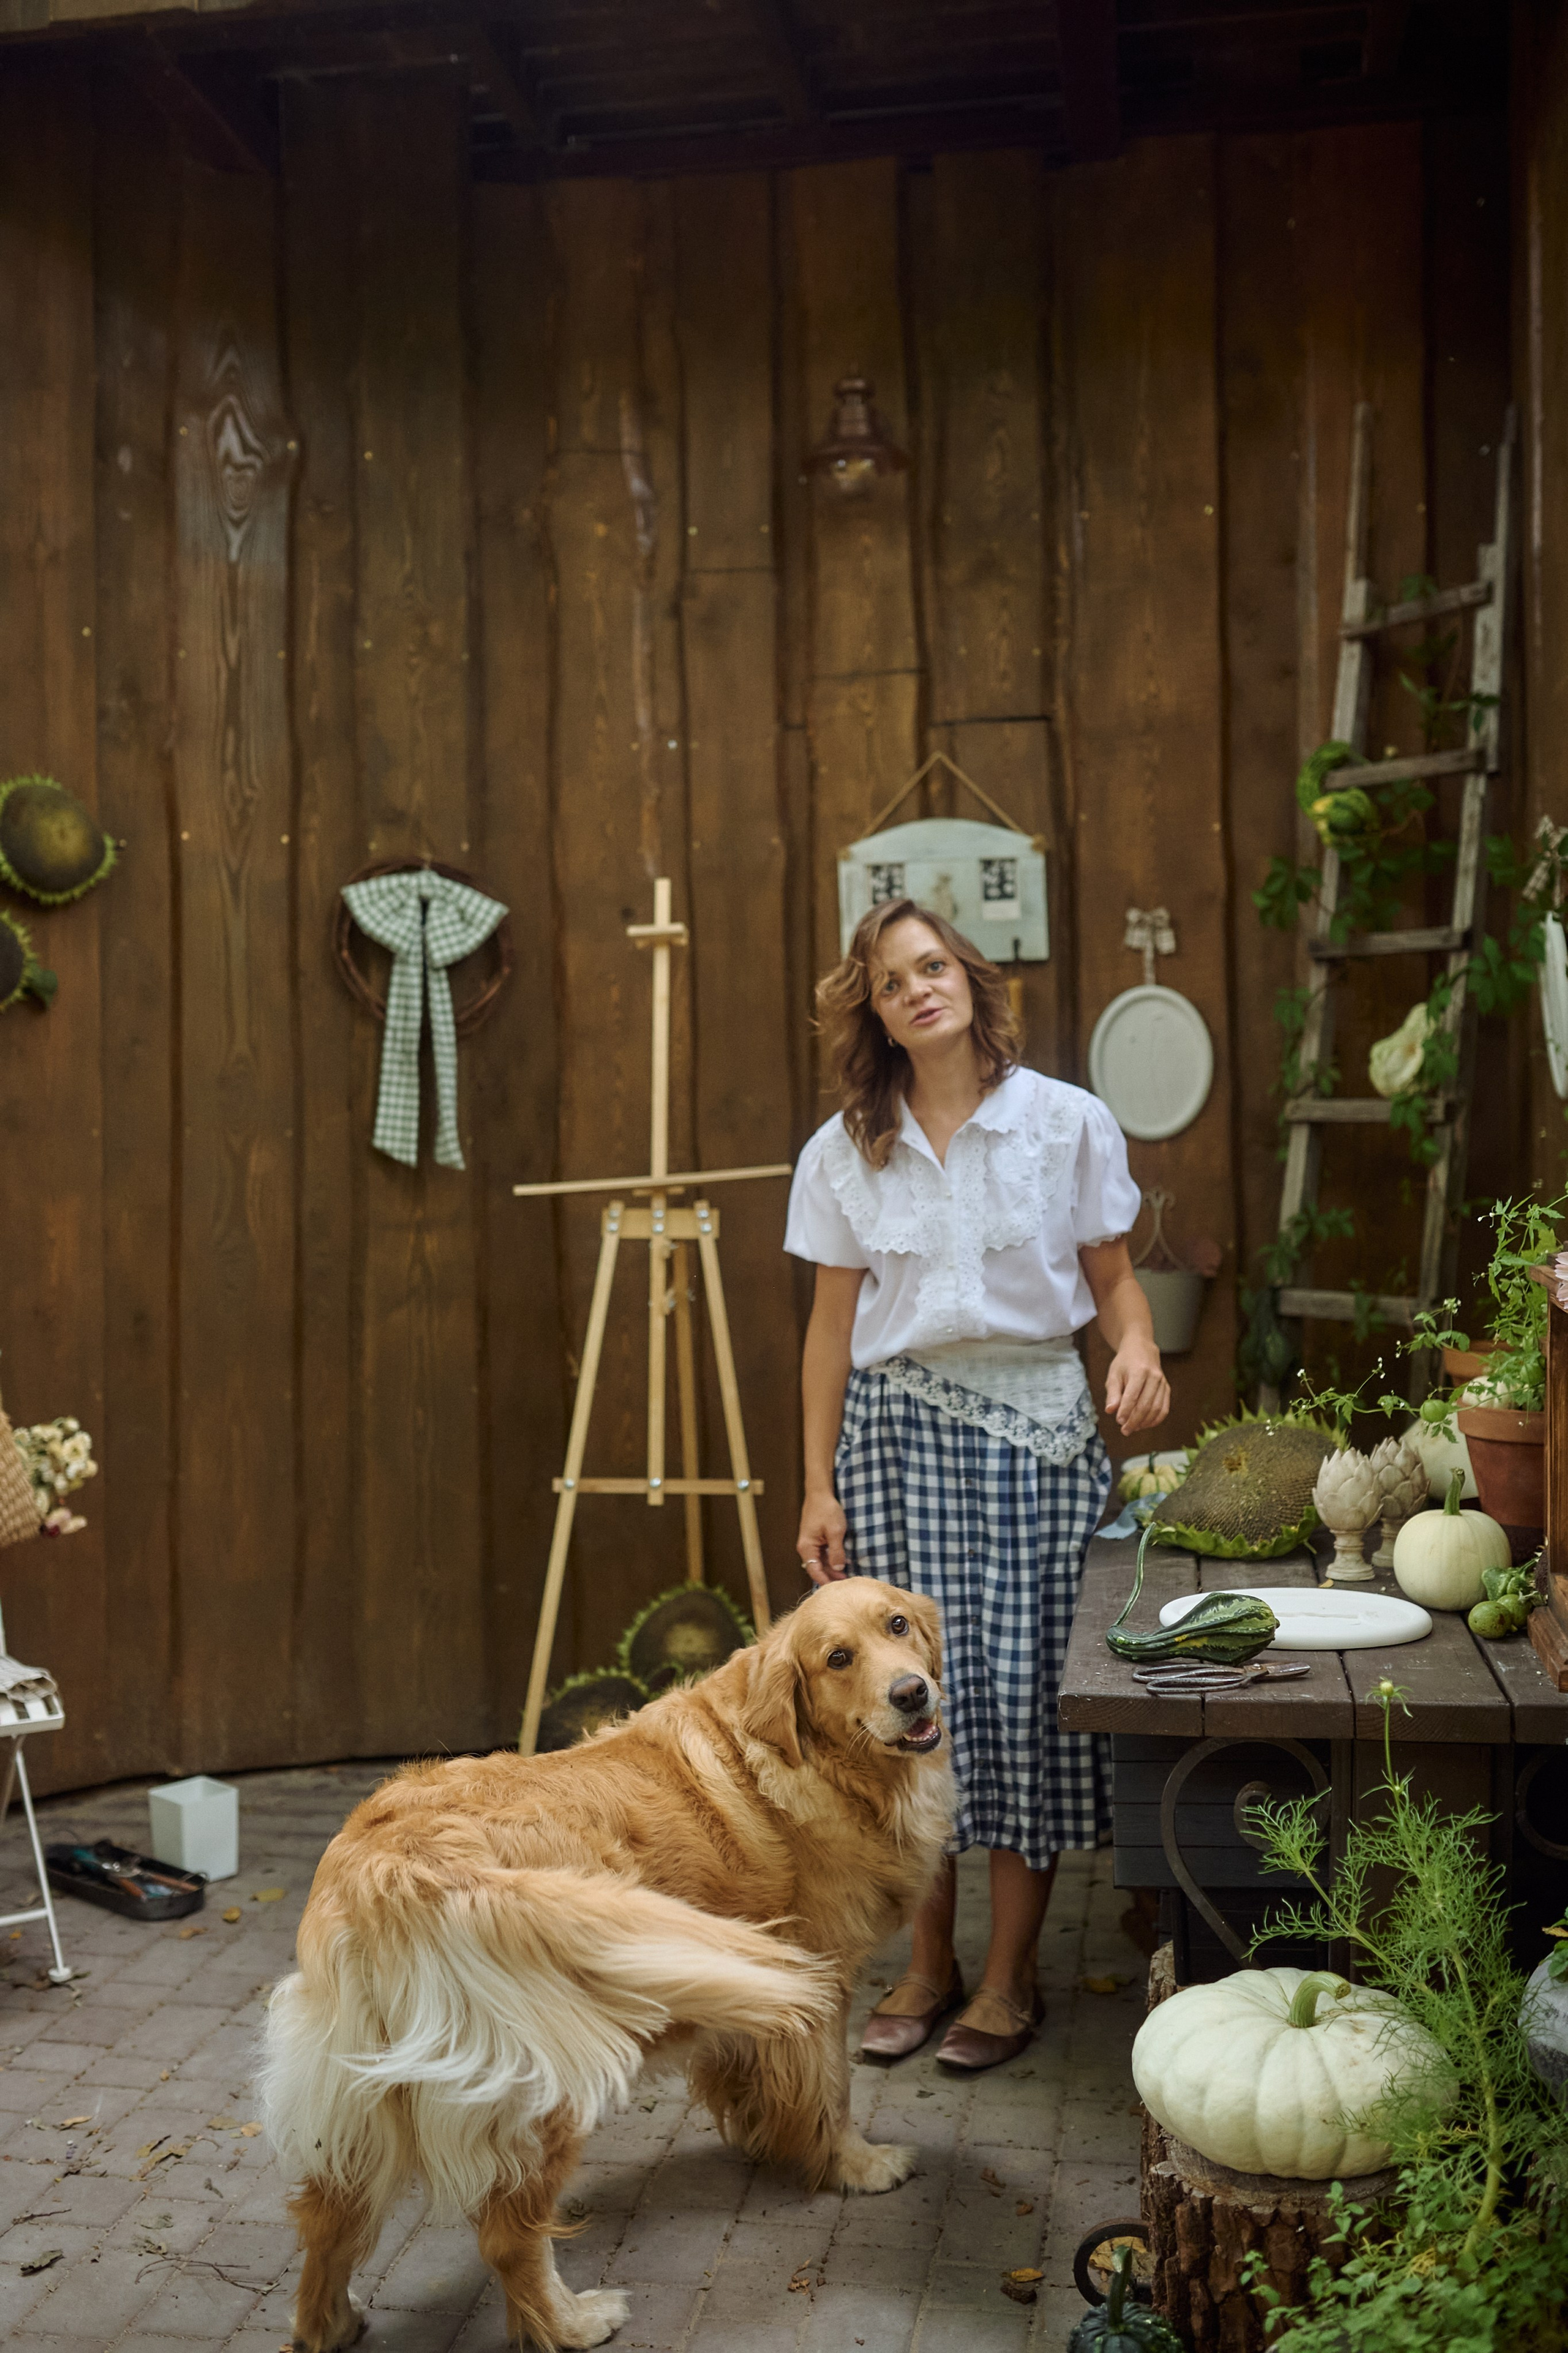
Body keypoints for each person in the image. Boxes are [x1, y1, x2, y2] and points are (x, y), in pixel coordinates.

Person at [784, 899, 1169, 2072]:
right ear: (881, 1016)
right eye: (894, 983)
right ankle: (925, 1965)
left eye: (932, 966)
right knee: (907, 1712)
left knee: (1013, 1709)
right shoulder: (845, 1150)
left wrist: (1140, 1349)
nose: (918, 990)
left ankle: (1007, 1981)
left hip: (1036, 1443)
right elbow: (826, 1332)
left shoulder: (1066, 1123)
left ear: (968, 977)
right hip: (893, 1444)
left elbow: (1114, 1281)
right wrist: (817, 1484)